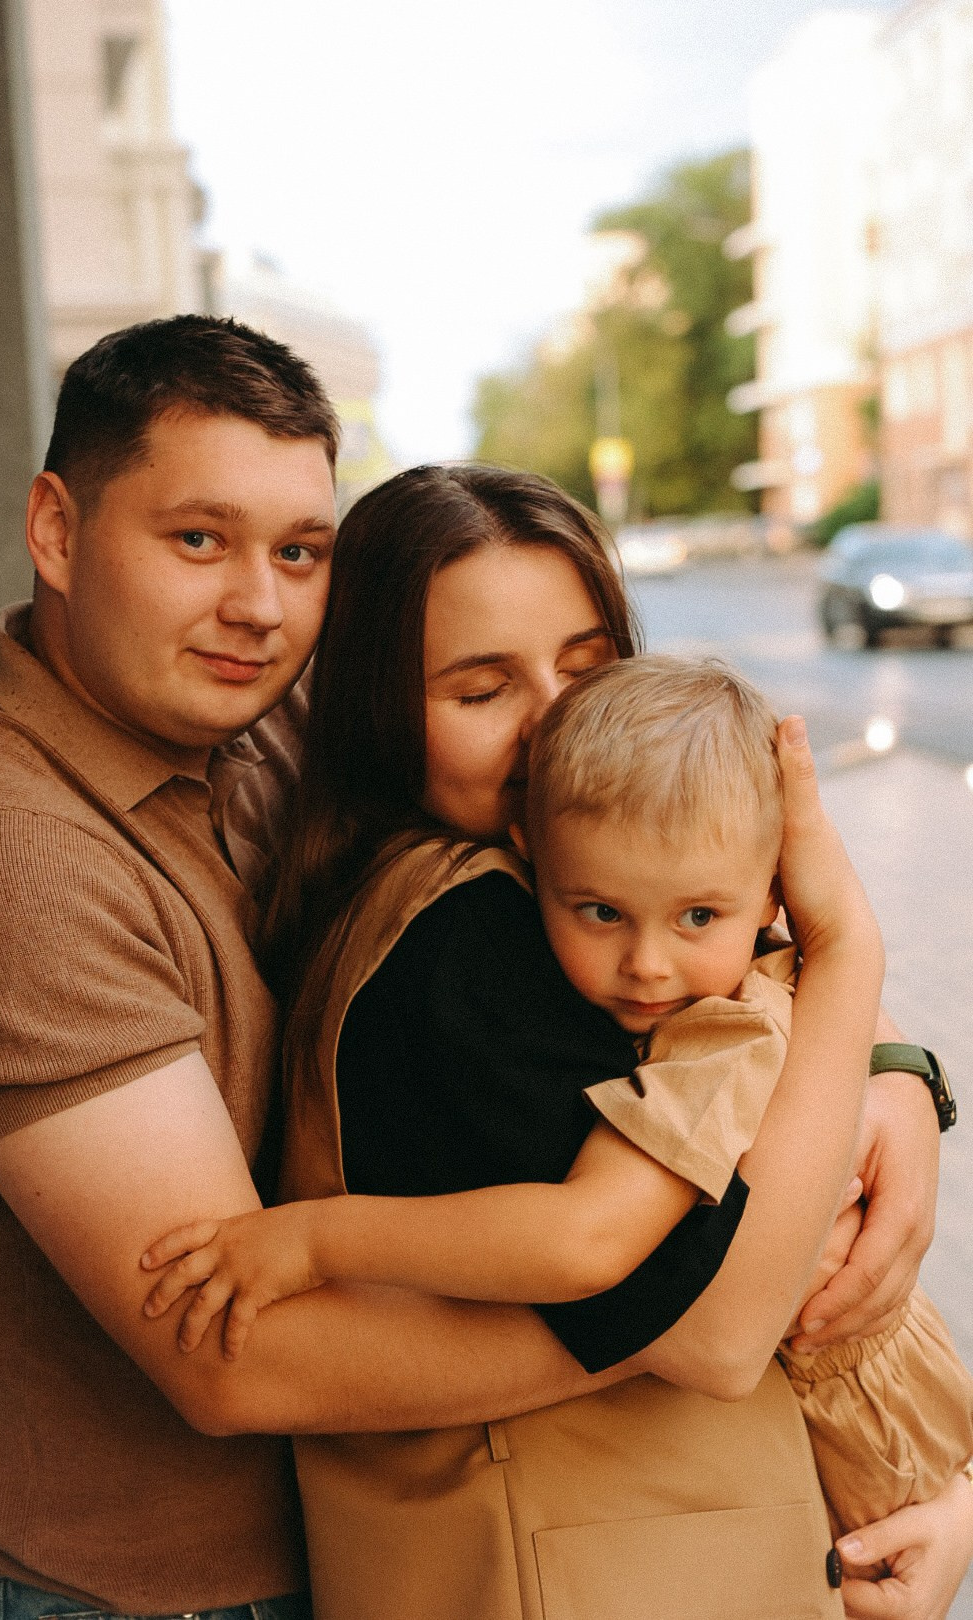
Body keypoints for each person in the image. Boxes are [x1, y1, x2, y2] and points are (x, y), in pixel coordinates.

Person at [0, 326, 950, 1620]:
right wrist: (714, 1303)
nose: (258, 604)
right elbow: (234, 1359)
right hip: (121, 1590)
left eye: (298, 552)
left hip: (329, 1557)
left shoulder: (266, 727)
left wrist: (895, 1073)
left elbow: (715, 945)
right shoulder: (3, 843)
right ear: (55, 531)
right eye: (196, 540)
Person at [149, 462, 967, 1620]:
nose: (554, 726)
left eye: (585, 666)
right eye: (482, 690)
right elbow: (728, 1325)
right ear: (383, 709)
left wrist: (895, 1071)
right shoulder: (472, 938)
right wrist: (850, 950)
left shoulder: (558, 890)